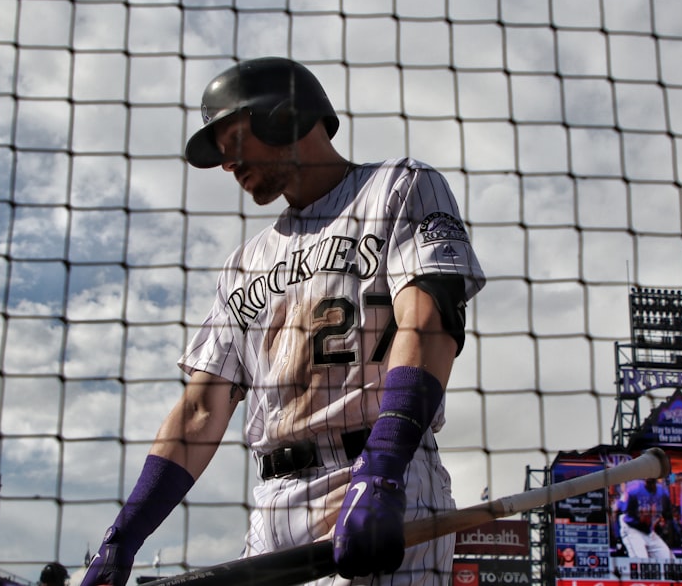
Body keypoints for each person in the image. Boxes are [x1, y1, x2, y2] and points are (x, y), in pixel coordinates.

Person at [78, 57, 486, 586]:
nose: (227, 163)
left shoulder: (397, 187)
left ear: (284, 115)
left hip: (381, 478)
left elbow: (427, 326)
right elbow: (202, 408)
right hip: (273, 508)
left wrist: (383, 466)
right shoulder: (243, 264)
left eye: (233, 139)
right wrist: (124, 535)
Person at [617, 477, 681, 559]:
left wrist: (676, 535)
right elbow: (619, 511)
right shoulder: (634, 489)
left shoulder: (662, 493)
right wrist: (617, 538)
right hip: (632, 529)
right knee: (641, 562)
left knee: (671, 561)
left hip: (649, 532)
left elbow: (668, 517)